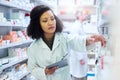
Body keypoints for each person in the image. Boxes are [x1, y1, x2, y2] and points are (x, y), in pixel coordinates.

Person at [26, 5, 106, 80]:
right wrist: (44, 71)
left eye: (52, 18)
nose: (50, 22)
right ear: (37, 24)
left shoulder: (64, 38)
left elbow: (77, 41)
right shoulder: (33, 48)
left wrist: (91, 39)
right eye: (45, 20)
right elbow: (32, 68)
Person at [69, 10, 88, 80]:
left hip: (81, 56)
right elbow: (75, 43)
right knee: (77, 76)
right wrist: (80, 58)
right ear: (79, 16)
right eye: (83, 14)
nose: (85, 15)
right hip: (78, 58)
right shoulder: (75, 27)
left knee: (81, 75)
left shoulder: (80, 25)